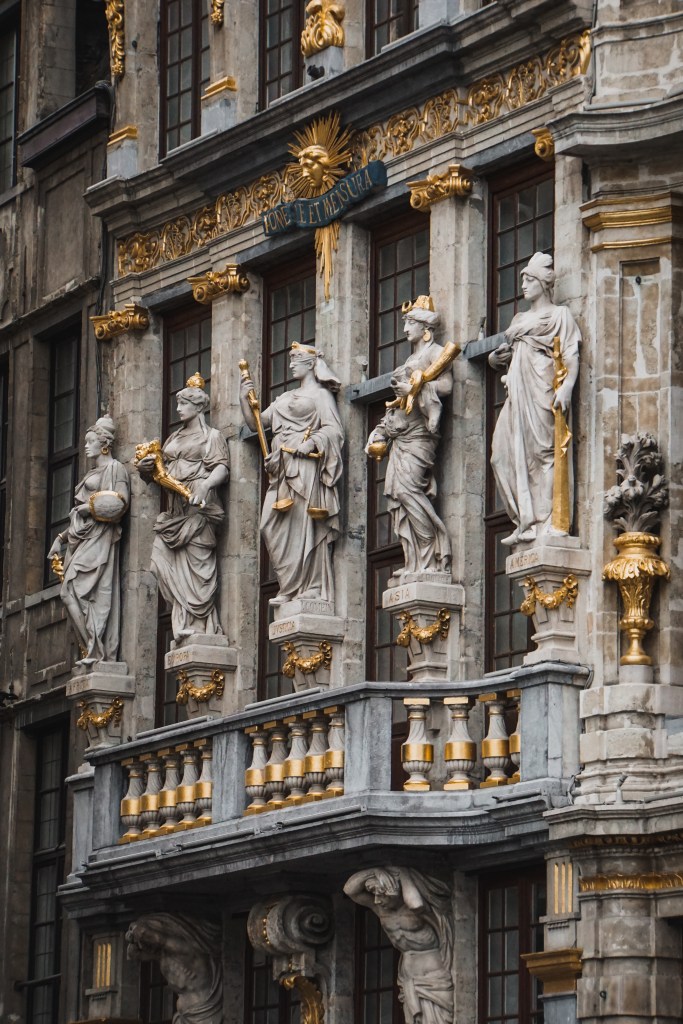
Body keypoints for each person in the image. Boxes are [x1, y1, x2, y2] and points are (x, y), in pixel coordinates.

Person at [240, 343, 343, 606]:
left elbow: (334, 431)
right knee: (269, 524)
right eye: (290, 360)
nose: (290, 365)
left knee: (305, 525)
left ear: (311, 364)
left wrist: (311, 442)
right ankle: (289, 584)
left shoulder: (321, 396)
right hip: (282, 471)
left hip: (305, 468)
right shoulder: (283, 400)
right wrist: (244, 399)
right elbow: (256, 424)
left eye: (296, 360)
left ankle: (311, 585)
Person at [489, 252, 580, 546]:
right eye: (523, 281)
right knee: (501, 455)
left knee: (543, 455)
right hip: (516, 391)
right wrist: (495, 359)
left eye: (529, 280)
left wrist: (566, 388)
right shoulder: (519, 318)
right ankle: (524, 518)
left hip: (542, 386)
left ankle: (549, 520)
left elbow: (571, 354)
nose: (524, 286)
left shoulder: (559, 315)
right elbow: (513, 354)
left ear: (543, 283)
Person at [366, 296, 454, 579]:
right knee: (397, 497)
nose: (405, 329)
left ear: (424, 328)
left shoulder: (435, 353)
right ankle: (414, 559)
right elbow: (396, 405)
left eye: (410, 323)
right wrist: (379, 431)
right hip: (400, 438)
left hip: (419, 437)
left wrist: (416, 390)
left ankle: (430, 550)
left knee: (408, 491)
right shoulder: (411, 359)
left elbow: (446, 386)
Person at [136, 374, 229, 640]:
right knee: (158, 563)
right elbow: (159, 472)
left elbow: (222, 467)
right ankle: (182, 616)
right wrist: (145, 471)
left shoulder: (212, 437)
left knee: (198, 568)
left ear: (199, 407)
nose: (178, 409)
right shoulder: (172, 439)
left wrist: (207, 484)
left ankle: (198, 625)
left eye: (184, 403)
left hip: (199, 510)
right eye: (178, 403)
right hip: (175, 511)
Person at [47, 416, 129, 664]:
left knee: (74, 591)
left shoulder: (115, 469)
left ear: (104, 443)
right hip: (80, 538)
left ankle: (96, 649)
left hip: (100, 537)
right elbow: (77, 517)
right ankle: (91, 648)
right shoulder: (92, 472)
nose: (86, 446)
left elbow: (120, 504)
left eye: (91, 441)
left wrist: (91, 509)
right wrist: (60, 538)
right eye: (85, 441)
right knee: (68, 593)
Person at [344, 867, 454, 1024]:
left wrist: (404, 874)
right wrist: (375, 871)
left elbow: (415, 903)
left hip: (433, 975)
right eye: (374, 894)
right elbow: (350, 890)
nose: (376, 900)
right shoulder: (381, 909)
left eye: (380, 894)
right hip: (408, 977)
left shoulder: (416, 909)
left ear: (393, 891)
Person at [126, 913, 222, 1024]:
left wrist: (143, 934)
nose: (145, 944)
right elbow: (139, 954)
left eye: (146, 937)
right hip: (185, 1015)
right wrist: (135, 946)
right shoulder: (165, 957)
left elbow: (162, 941)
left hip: (203, 1013)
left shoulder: (185, 949)